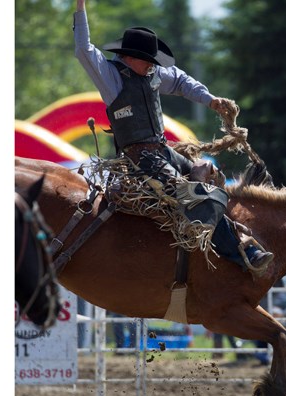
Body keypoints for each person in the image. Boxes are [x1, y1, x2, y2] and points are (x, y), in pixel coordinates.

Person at [72, 0, 273, 275]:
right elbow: (83, 50)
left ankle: (233, 235)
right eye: (149, 61)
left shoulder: (151, 75)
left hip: (163, 152)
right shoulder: (111, 77)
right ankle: (240, 253)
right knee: (191, 192)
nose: (153, 66)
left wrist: (210, 100)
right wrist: (80, 8)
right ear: (131, 57)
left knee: (211, 176)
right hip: (138, 159)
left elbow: (180, 80)